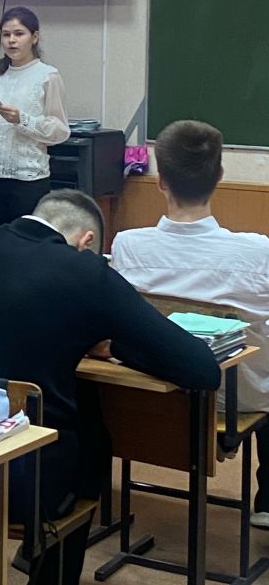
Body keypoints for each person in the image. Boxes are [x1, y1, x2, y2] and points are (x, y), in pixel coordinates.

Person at [0, 188, 220, 585]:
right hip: (26, 484)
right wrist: (112, 347)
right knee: (93, 445)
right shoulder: (86, 272)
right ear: (87, 241)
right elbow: (200, 369)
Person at [112, 119, 269, 529]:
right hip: (237, 398)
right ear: (219, 176)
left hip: (155, 392)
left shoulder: (128, 245)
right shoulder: (257, 252)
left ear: (161, 181)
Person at [0, 6, 69, 225]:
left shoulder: (48, 76)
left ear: (34, 37)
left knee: (24, 241)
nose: (11, 40)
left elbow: (60, 130)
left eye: (19, 34)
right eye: (6, 34)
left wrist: (22, 120)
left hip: (27, 181)